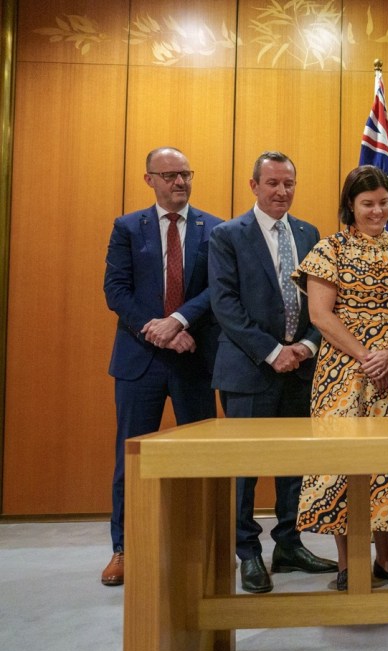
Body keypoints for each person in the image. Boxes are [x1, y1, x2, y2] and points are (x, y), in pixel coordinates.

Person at [294, 165, 388, 592]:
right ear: (350, 206)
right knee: (343, 464)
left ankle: (385, 559)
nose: (377, 211)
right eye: (367, 203)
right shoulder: (329, 249)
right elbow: (320, 315)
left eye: (383, 203)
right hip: (342, 372)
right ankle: (347, 563)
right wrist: (365, 355)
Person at [209, 151, 336, 594]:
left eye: (289, 183)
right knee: (245, 469)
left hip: (300, 368)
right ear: (254, 185)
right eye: (273, 183)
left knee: (294, 465)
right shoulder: (227, 235)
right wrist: (271, 352)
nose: (282, 191)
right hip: (249, 371)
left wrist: (305, 346)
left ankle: (289, 544)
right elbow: (224, 303)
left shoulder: (309, 233)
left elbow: (323, 301)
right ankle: (247, 552)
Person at [102, 147, 221, 586]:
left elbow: (218, 289)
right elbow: (116, 290)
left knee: (201, 460)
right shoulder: (128, 227)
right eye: (169, 175)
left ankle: (202, 547)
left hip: (194, 360)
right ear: (149, 179)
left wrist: (180, 321)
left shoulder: (216, 228)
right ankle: (124, 550)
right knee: (131, 459)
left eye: (185, 174)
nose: (179, 182)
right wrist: (159, 330)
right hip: (140, 361)